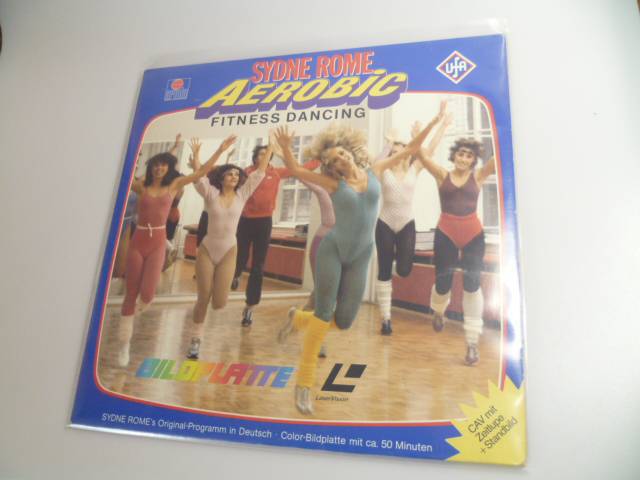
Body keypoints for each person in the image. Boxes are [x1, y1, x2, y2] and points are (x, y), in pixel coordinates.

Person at [274, 117, 438, 415]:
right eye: (335, 158)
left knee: (346, 320)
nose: (342, 158)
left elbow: (412, 149)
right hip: (333, 251)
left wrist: (434, 121)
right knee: (324, 313)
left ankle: (297, 319)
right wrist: (287, 147)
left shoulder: (375, 170)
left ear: (350, 151)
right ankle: (304, 385)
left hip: (362, 254)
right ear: (332, 167)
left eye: (343, 152)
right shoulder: (334, 184)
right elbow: (296, 170)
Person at [116, 135, 236, 367]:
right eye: (156, 165)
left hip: (157, 242)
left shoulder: (174, 185)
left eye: (164, 165)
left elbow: (201, 172)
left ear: (169, 168)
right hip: (138, 240)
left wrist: (220, 150)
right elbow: (124, 174)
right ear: (151, 167)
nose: (159, 168)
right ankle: (124, 344)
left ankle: (134, 309)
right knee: (131, 292)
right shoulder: (141, 186)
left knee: (147, 294)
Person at [416, 113, 496, 365]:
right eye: (460, 154)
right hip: (446, 233)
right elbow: (422, 156)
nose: (464, 158)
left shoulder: (479, 176)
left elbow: (497, 158)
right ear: (454, 156)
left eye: (469, 155)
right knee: (443, 284)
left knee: (472, 285)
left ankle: (472, 343)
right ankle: (439, 311)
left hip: (473, 234)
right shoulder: (442, 175)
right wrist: (425, 131)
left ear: (474, 159)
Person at [186, 139, 269, 359]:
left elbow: (259, 173)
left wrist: (271, 148)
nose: (234, 176)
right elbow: (199, 175)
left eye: (236, 174)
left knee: (219, 303)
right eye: (229, 174)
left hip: (228, 251)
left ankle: (217, 292)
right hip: (207, 249)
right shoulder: (210, 194)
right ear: (221, 178)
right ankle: (195, 340)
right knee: (203, 297)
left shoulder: (243, 194)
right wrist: (214, 151)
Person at [374, 102, 446, 335]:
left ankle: (397, 260)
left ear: (408, 151)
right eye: (393, 152)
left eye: (400, 151)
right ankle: (386, 319)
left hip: (406, 224)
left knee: (404, 270)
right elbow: (376, 161)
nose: (397, 155)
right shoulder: (383, 169)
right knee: (384, 271)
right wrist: (388, 143)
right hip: (385, 223)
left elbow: (430, 148)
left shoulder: (415, 168)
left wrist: (442, 126)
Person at [232, 142, 320, 327]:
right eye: (260, 154)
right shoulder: (246, 173)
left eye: (267, 154)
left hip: (264, 222)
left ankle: (250, 307)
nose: (264, 156)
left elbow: (301, 169)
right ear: (254, 157)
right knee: (240, 257)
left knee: (258, 266)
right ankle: (236, 274)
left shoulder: (276, 173)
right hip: (245, 221)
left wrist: (320, 158)